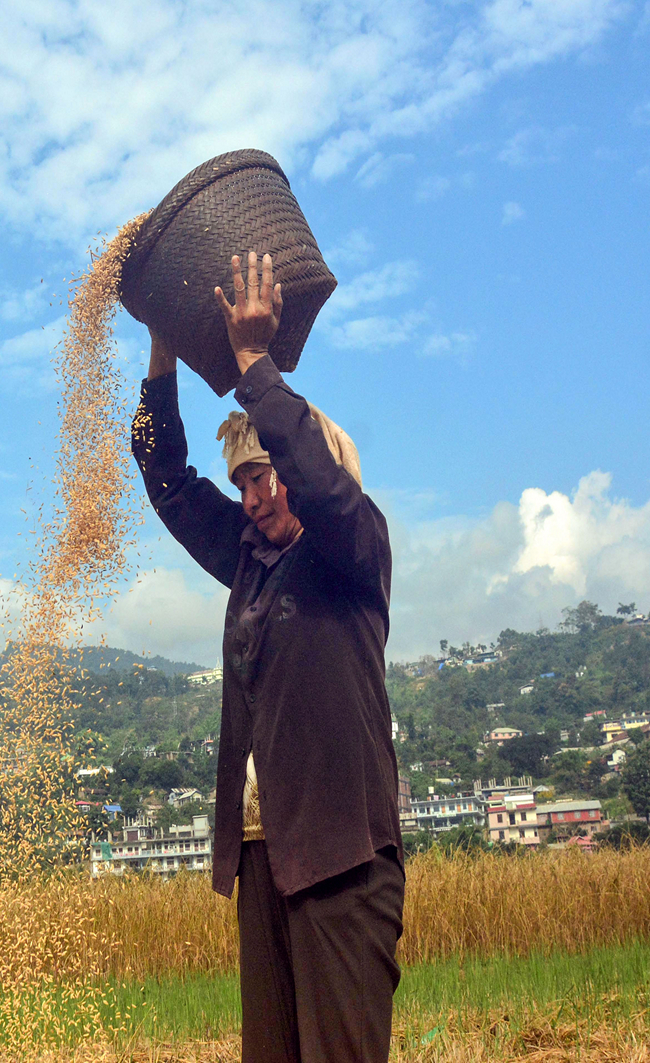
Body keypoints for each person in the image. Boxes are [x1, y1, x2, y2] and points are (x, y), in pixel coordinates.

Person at [130, 251, 404, 1062]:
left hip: (342, 863)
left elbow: (321, 488)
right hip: (266, 857)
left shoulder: (352, 552)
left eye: (267, 479)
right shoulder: (252, 561)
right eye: (244, 483)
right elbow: (168, 478)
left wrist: (254, 362)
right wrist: (163, 348)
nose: (252, 499)